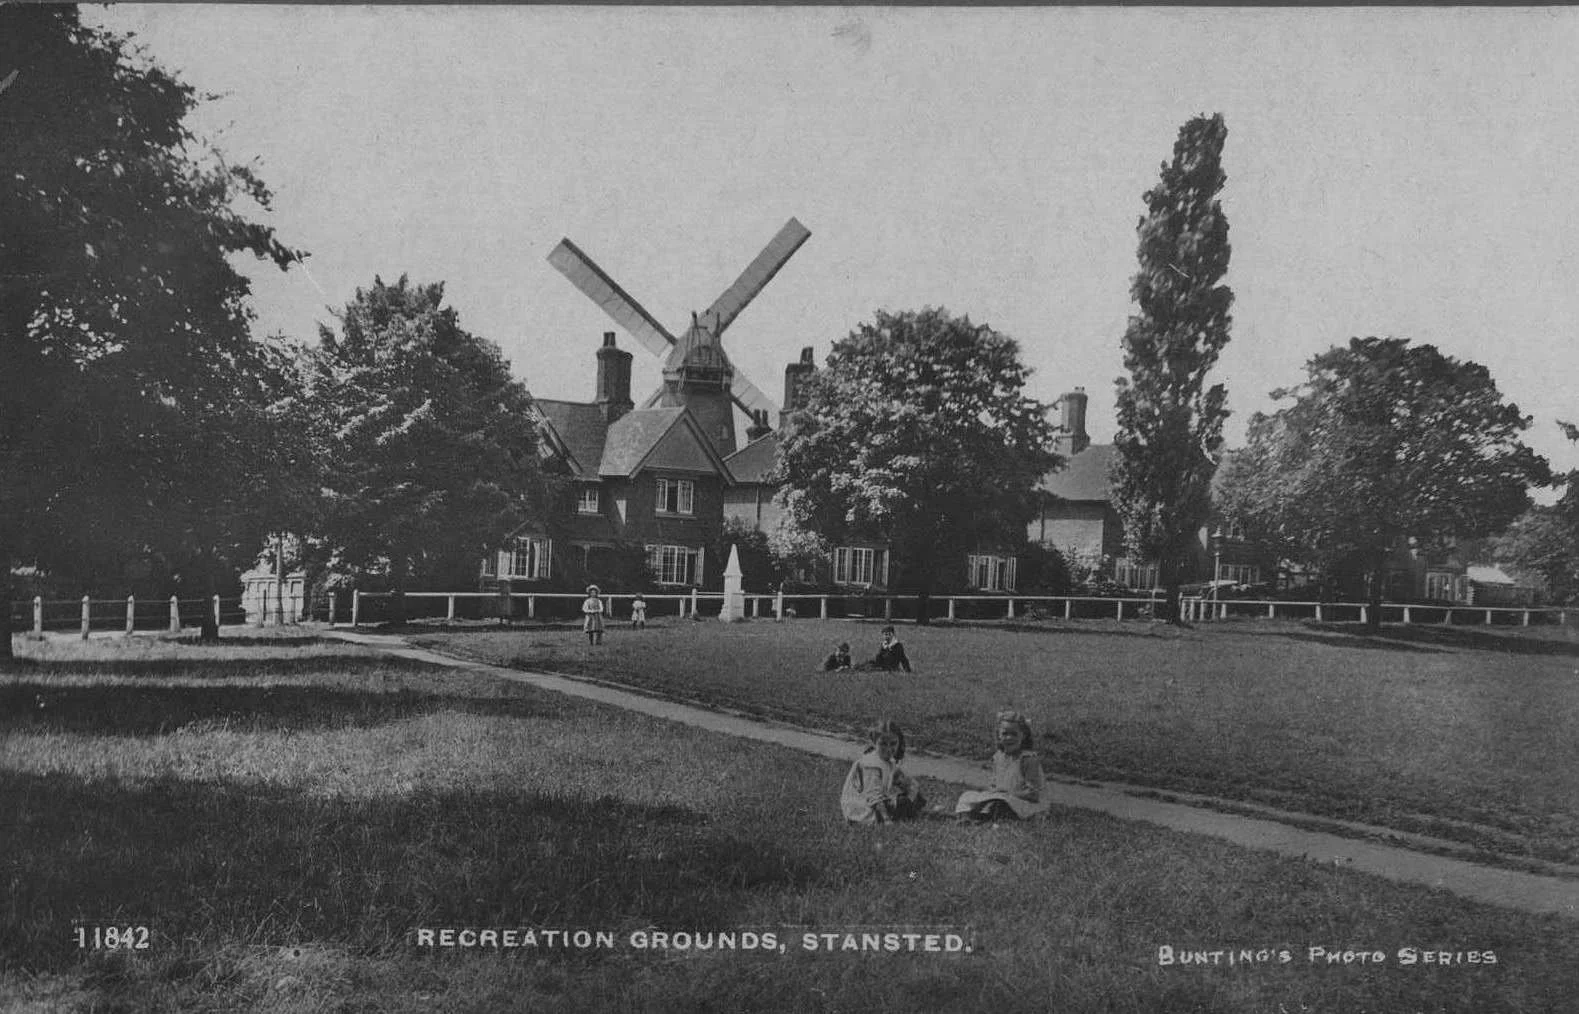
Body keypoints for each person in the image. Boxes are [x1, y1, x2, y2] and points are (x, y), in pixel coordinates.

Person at [953, 710, 1050, 822]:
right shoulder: (998, 757)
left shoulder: (1028, 759)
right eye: (1005, 734)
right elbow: (994, 784)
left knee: (1000, 803)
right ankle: (968, 817)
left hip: (1024, 801)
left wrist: (1006, 794)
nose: (1009, 738)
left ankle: (979, 817)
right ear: (998, 735)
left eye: (1014, 734)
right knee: (967, 796)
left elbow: (1033, 794)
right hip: (1001, 796)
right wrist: (992, 792)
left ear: (1023, 735)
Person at [840, 719, 926, 824]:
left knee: (912, 788)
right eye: (883, 744)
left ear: (899, 742)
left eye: (893, 743)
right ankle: (907, 814)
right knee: (902, 802)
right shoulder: (871, 764)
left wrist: (908, 786)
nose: (888, 749)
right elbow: (874, 797)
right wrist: (886, 820)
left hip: (877, 802)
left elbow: (900, 781)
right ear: (874, 742)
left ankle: (915, 812)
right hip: (862, 809)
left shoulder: (887, 761)